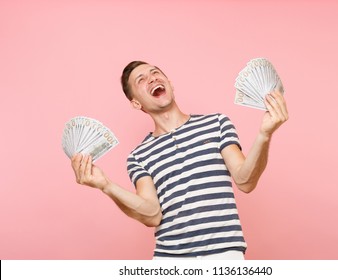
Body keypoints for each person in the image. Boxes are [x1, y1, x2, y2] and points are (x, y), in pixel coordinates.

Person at [71, 60, 288, 260]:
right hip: (170, 260)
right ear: (136, 104)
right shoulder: (139, 156)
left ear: (170, 84)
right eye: (142, 79)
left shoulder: (217, 124)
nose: (152, 78)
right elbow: (152, 214)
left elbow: (245, 180)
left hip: (224, 256)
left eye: (155, 72)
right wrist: (106, 186)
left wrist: (264, 135)